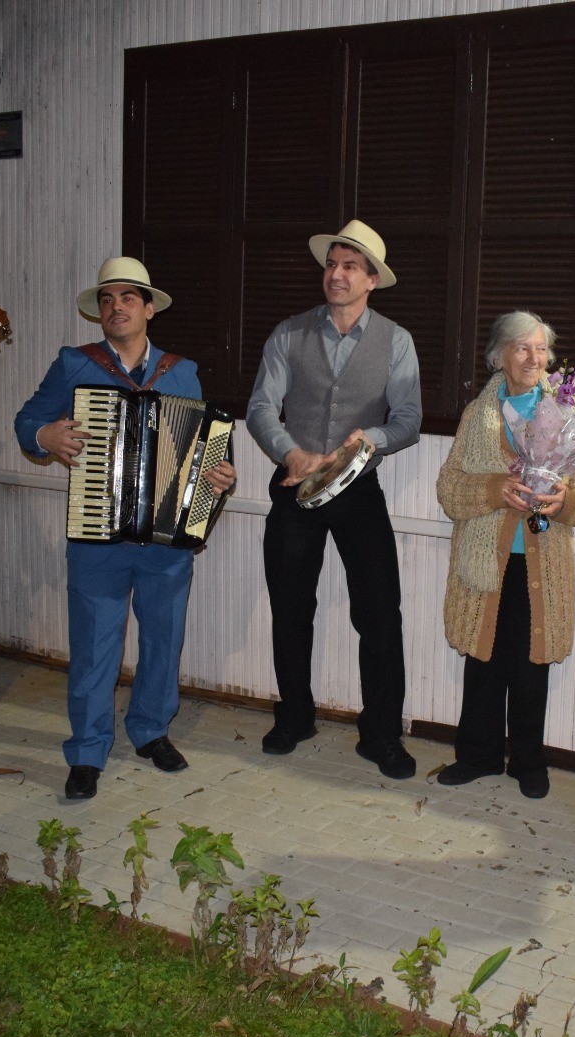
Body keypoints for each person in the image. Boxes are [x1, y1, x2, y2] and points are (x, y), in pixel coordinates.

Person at [15, 257, 236, 800]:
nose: (117, 307)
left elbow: (203, 446)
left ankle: (150, 731)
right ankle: (88, 751)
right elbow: (27, 421)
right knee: (94, 645)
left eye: (128, 298)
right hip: (98, 533)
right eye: (108, 299)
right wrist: (46, 436)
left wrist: (220, 474)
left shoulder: (181, 371)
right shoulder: (75, 364)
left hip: (164, 540)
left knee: (164, 640)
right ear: (100, 312)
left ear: (149, 308)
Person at [246, 220, 422, 779]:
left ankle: (381, 734)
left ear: (372, 280)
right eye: (332, 264)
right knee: (291, 609)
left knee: (379, 614)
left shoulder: (396, 341)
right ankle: (295, 716)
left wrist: (375, 440)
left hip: (357, 491)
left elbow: (409, 420)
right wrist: (290, 455)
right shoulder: (288, 333)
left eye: (350, 266)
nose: (337, 274)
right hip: (294, 488)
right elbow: (259, 409)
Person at [435, 312, 575, 799]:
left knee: (532, 664)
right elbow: (449, 488)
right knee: (483, 660)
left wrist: (566, 501)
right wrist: (493, 489)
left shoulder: (569, 413)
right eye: (521, 348)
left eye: (540, 349)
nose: (533, 358)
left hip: (541, 563)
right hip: (486, 562)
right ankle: (477, 756)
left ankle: (528, 762)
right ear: (499, 357)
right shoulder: (477, 417)